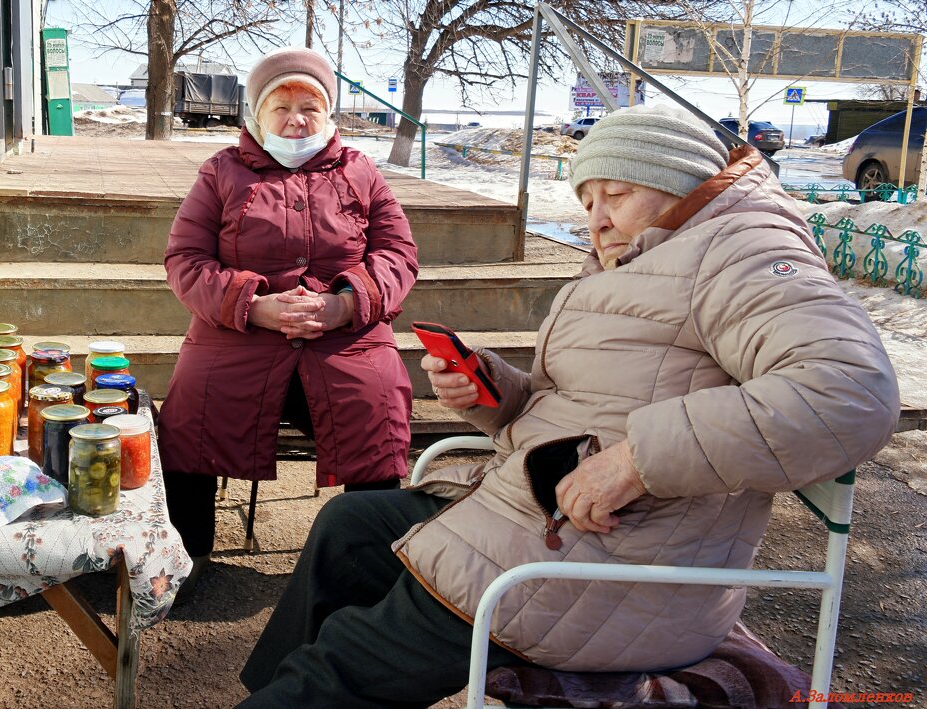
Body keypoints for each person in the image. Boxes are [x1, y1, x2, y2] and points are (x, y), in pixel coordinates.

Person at [237, 104, 901, 707]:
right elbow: (582, 401)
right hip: (539, 514)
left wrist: (637, 463)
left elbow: (849, 391)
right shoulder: (645, 256)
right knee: (350, 526)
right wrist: (497, 395)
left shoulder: (744, 251)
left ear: (679, 184)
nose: (598, 218)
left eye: (616, 193)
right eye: (587, 200)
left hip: (617, 565)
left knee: (347, 661)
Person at [159, 47, 419, 589]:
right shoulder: (220, 173)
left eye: (311, 106)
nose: (296, 119)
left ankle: (365, 563)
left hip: (345, 337)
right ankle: (189, 554)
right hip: (237, 335)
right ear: (255, 113)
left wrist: (345, 304)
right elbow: (185, 260)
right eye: (281, 105)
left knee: (376, 403)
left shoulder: (361, 173)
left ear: (331, 116)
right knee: (191, 407)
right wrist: (253, 307)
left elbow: (398, 255)